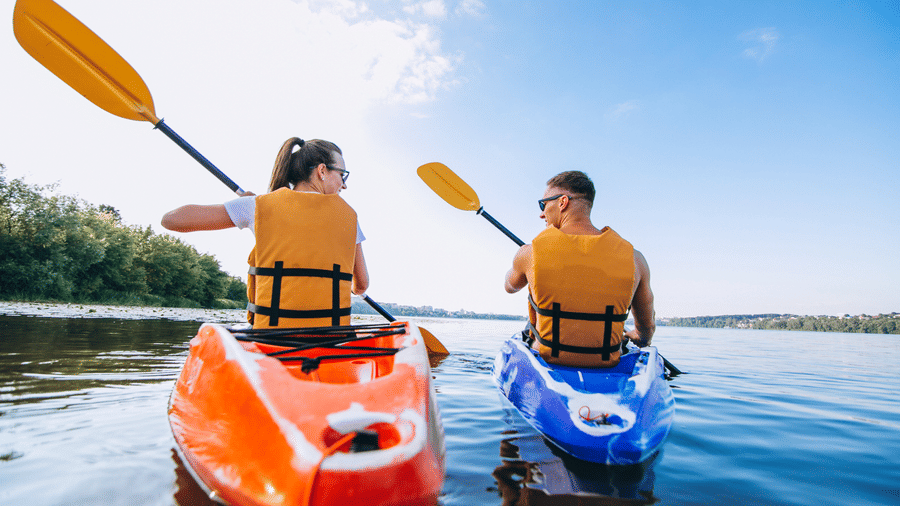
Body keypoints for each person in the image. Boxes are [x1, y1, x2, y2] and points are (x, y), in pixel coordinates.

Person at [161, 138, 369, 329]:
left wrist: (249, 206)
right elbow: (361, 286)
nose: (344, 184)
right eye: (342, 175)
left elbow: (171, 220)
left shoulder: (257, 206)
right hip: (330, 339)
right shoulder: (350, 218)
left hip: (270, 337)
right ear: (322, 171)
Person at [504, 170, 654, 368]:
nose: (541, 213)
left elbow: (509, 286)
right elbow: (647, 327)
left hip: (547, 360)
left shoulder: (530, 253)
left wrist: (524, 257)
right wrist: (640, 337)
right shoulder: (636, 259)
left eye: (544, 204)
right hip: (607, 365)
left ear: (562, 202)